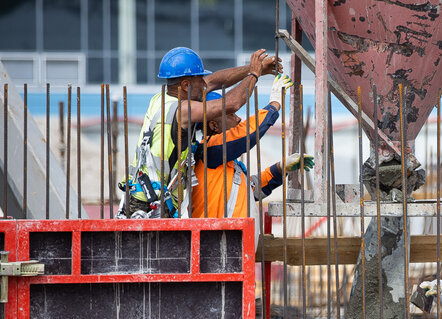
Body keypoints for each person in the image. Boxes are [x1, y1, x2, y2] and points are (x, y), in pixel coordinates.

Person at [120, 46, 283, 218]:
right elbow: (232, 103)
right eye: (201, 80)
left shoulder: (160, 100)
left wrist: (253, 69)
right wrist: (254, 75)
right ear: (185, 85)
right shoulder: (183, 110)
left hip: (140, 194)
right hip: (151, 203)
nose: (205, 84)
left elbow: (215, 81)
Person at [190, 83, 313, 228]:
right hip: (215, 241)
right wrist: (273, 106)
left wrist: (280, 169)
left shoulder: (225, 163)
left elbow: (252, 191)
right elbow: (247, 133)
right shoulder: (209, 150)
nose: (238, 119)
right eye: (230, 115)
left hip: (230, 242)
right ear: (213, 125)